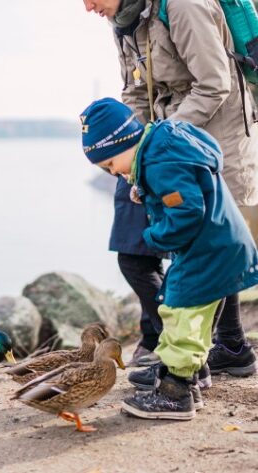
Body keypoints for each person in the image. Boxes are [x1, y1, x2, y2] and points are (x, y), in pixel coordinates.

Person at [82, 0, 258, 375]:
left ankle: (198, 360)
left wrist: (159, 143)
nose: (87, 6)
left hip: (214, 137)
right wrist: (127, 154)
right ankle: (211, 347)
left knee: (210, 243)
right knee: (140, 249)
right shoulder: (125, 19)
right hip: (160, 143)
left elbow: (214, 84)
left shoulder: (182, 5)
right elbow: (134, 92)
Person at [80, 97, 258, 419]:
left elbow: (187, 211)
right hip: (217, 244)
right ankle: (184, 375)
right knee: (194, 316)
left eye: (110, 165)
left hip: (207, 251)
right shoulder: (162, 147)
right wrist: (145, 189)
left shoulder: (160, 162)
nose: (114, 174)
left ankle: (176, 391)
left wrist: (155, 237)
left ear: (123, 141)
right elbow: (182, 191)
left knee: (180, 313)